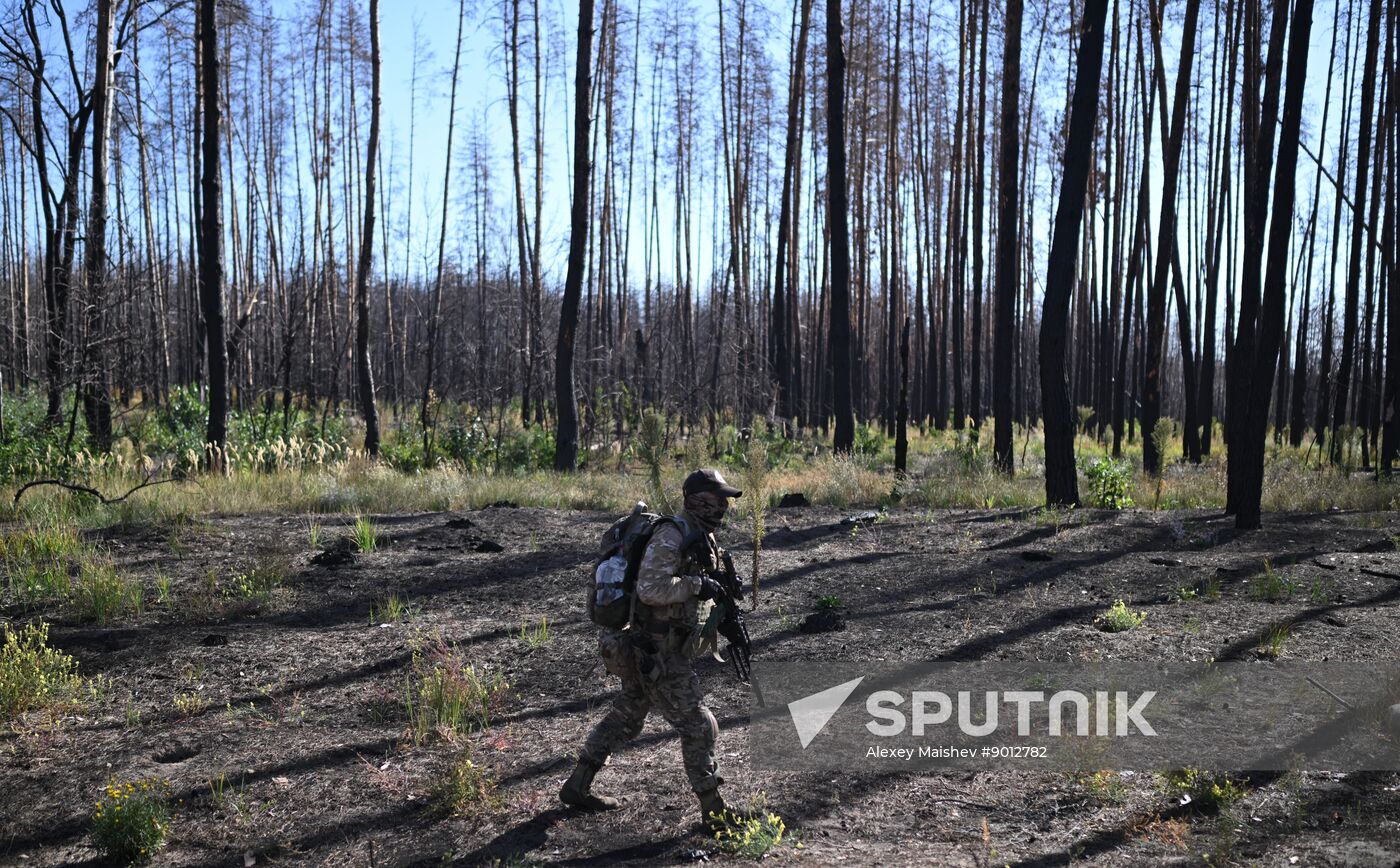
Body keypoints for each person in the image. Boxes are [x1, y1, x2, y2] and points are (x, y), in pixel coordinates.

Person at [560, 468, 743, 827]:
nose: (722, 507)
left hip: (656, 646)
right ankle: (714, 811)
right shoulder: (672, 535)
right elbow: (650, 589)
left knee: (626, 718)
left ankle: (577, 786)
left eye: (724, 501)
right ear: (694, 500)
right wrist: (695, 586)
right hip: (656, 650)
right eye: (715, 500)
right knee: (700, 726)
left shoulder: (701, 536)